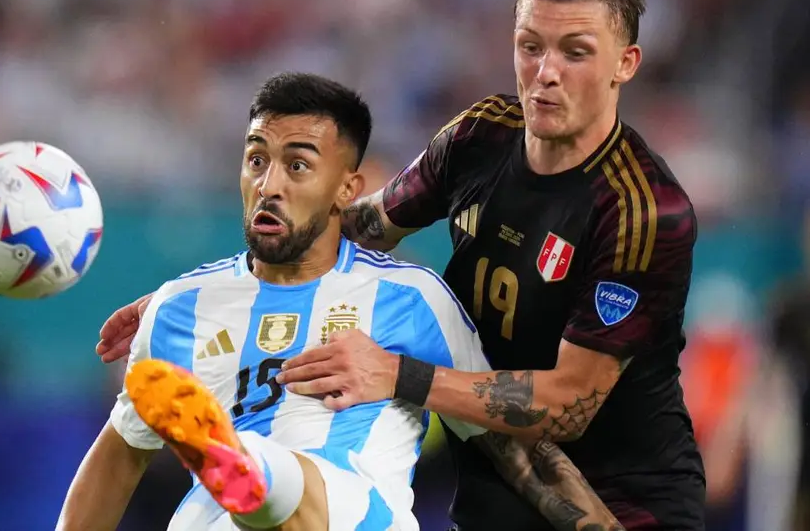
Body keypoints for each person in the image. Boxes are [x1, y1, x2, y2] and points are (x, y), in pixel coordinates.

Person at [97, 0, 706, 530]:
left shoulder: (642, 211)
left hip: (623, 498)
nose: (546, 73)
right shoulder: (480, 137)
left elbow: (567, 405)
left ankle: (270, 486)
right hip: (498, 474)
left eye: (575, 52)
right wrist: (218, 289)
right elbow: (353, 225)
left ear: (625, 62)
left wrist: (399, 374)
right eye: (530, 47)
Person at [63, 72, 623, 530]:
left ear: (347, 189)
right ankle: (243, 471)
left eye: (298, 165)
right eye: (257, 160)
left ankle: (248, 468)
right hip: (215, 522)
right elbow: (118, 459)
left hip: (356, 512)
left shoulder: (412, 299)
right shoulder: (178, 307)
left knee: (300, 484)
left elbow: (511, 449)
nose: (269, 184)